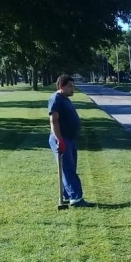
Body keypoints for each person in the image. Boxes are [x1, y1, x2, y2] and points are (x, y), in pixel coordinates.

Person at [48, 74, 94, 207]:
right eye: (70, 86)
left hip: (70, 139)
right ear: (61, 86)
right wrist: (60, 140)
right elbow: (54, 121)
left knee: (69, 167)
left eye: (73, 86)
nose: (72, 89)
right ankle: (76, 198)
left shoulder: (65, 98)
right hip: (62, 139)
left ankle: (67, 195)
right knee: (68, 168)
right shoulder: (55, 99)